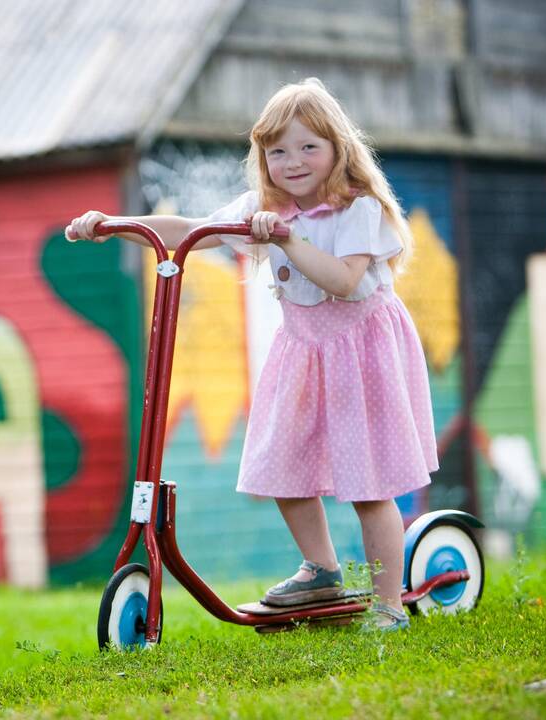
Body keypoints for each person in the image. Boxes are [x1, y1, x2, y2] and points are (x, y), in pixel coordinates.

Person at [65, 78, 437, 631]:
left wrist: (286, 240)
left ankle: (387, 605)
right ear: (262, 157)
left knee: (370, 486)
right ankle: (322, 568)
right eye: (277, 150)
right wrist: (116, 227)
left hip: (361, 356)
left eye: (309, 146)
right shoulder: (264, 208)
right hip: (303, 352)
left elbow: (342, 279)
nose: (292, 161)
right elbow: (194, 231)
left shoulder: (356, 208)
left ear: (338, 148)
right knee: (282, 467)